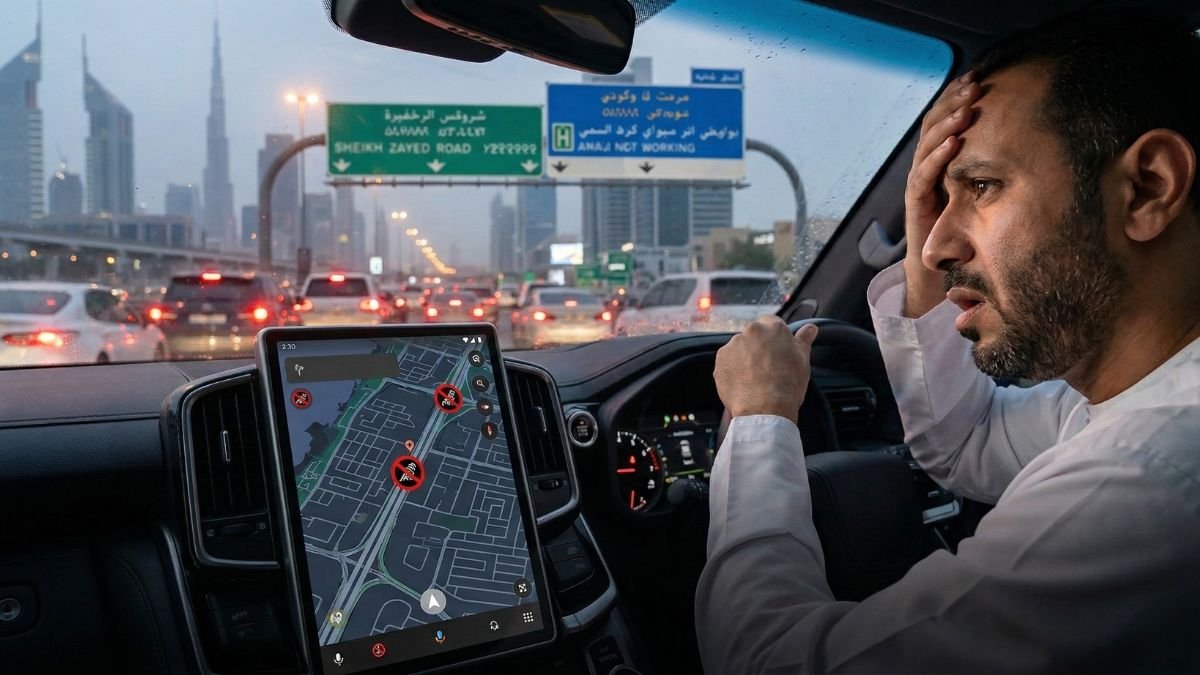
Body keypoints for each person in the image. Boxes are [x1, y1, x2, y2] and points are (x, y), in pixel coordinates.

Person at [696, 8, 1200, 673]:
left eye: (983, 187)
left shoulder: (1147, 474)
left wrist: (761, 417)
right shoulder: (1128, 397)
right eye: (939, 203)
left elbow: (768, 662)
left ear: (1147, 188)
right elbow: (965, 443)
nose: (932, 248)